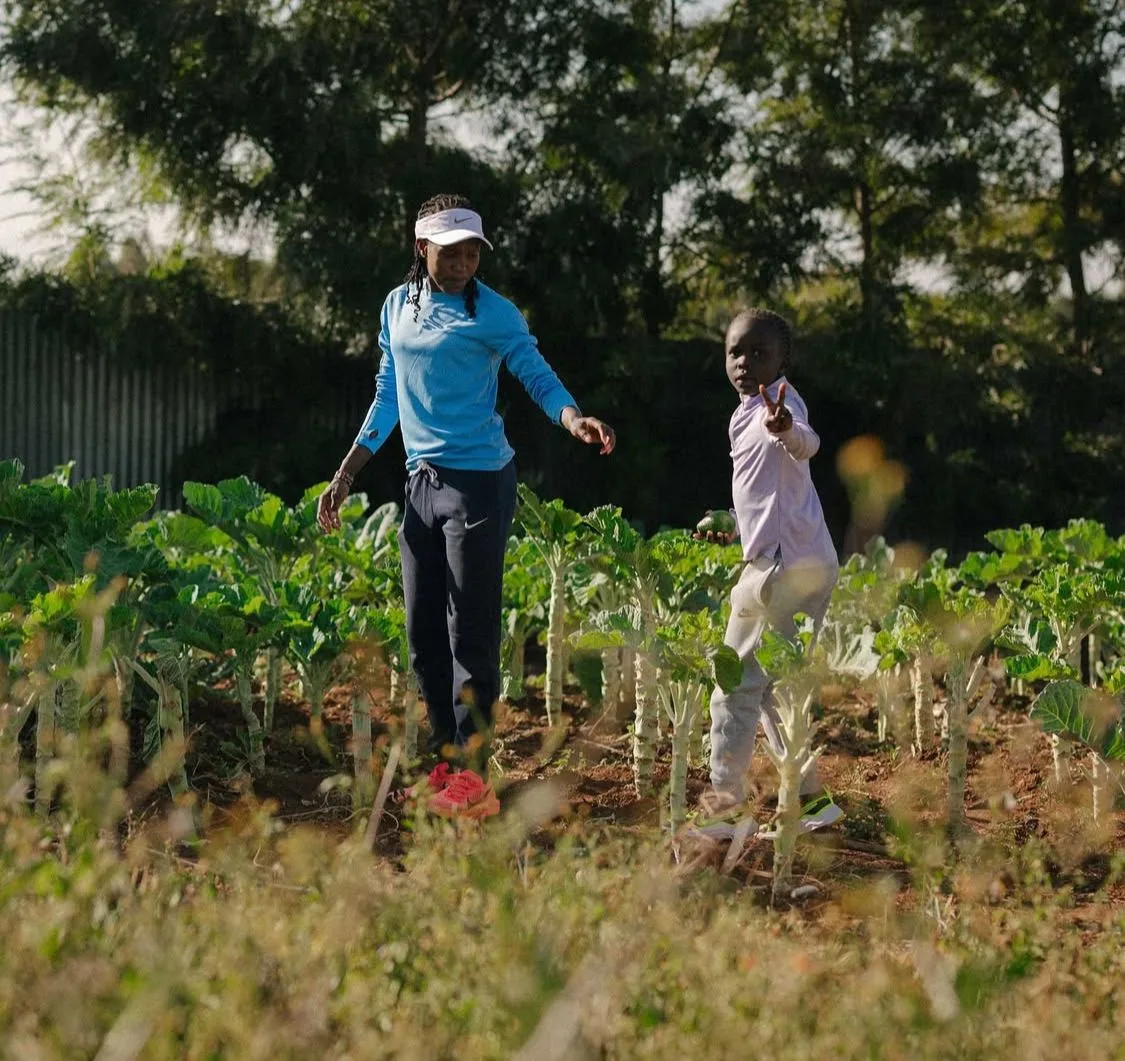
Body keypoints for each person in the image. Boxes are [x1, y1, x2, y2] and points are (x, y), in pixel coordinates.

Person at [317, 193, 616, 802]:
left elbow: (535, 372)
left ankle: (474, 771)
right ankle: (444, 763)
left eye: (472, 250)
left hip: (478, 483)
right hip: (420, 483)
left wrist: (571, 417)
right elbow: (388, 393)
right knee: (423, 628)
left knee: (469, 631)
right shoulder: (397, 309)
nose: (462, 262)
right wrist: (347, 471)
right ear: (421, 247)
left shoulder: (496, 314)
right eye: (450, 251)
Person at [696, 308, 838, 816]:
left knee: (732, 686)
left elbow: (807, 442)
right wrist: (732, 523)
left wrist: (784, 427)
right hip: (797, 560)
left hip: (780, 570)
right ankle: (811, 800)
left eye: (760, 353)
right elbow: (768, 495)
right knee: (775, 688)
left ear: (783, 361)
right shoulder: (742, 414)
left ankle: (722, 808)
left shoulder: (779, 406)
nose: (745, 362)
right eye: (736, 351)